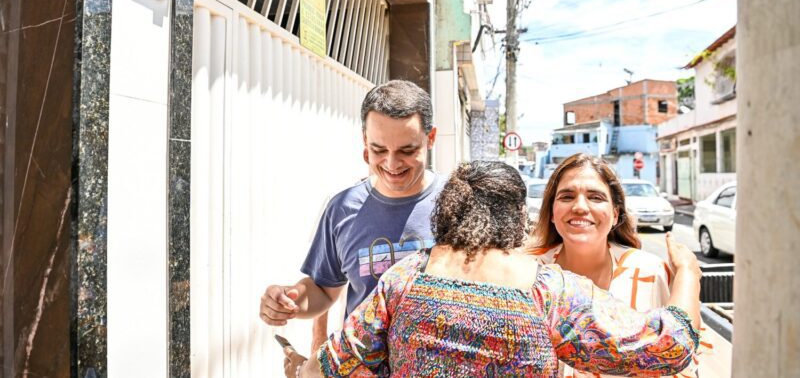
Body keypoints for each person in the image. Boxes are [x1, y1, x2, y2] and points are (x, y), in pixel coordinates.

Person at [297, 161, 701, 377]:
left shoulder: (404, 277)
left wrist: (298, 370)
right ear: (515, 218)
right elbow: (670, 348)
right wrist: (687, 275)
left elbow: (333, 364)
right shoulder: (550, 290)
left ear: (447, 212)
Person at [258, 80, 444, 375]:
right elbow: (323, 289)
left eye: (407, 150)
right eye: (379, 149)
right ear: (364, 141)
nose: (392, 164)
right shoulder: (343, 208)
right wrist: (290, 298)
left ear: (431, 137)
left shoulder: (456, 204)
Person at [529, 153, 709, 378]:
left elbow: (684, 355)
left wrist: (686, 273)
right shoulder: (528, 274)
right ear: (552, 214)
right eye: (567, 196)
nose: (580, 207)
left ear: (615, 215)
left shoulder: (651, 274)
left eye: (595, 197)